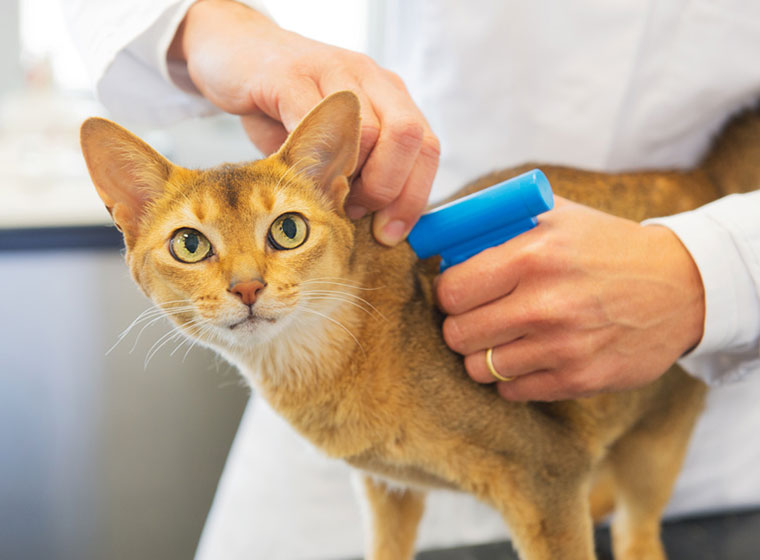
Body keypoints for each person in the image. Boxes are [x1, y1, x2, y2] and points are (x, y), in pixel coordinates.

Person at [64, 0, 760, 557]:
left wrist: (713, 270)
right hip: (404, 225)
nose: (245, 282)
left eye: (280, 236)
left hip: (708, 339)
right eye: (193, 244)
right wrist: (213, 24)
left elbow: (546, 468)